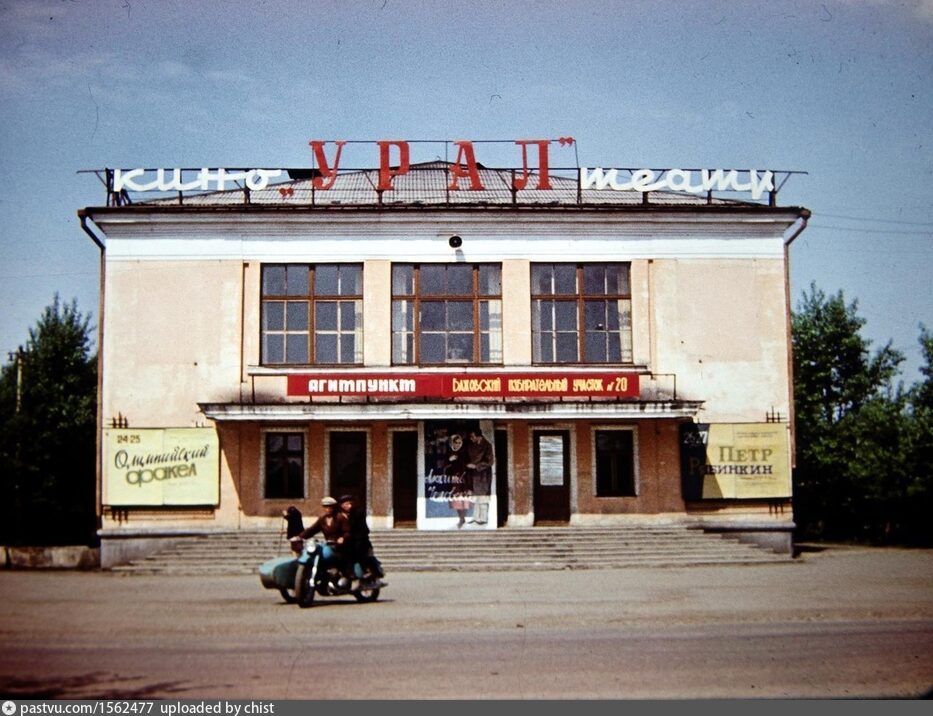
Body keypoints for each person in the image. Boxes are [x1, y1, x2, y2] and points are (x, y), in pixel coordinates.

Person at [291, 496, 351, 585]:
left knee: (339, 560)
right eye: (326, 507)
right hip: (328, 545)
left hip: (340, 546)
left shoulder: (340, 518)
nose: (328, 509)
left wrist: (343, 538)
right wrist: (299, 537)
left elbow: (348, 531)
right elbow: (312, 529)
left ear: (334, 508)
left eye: (330, 507)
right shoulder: (322, 519)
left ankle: (344, 576)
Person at [337, 494, 386, 587]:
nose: (349, 506)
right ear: (341, 505)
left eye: (350, 503)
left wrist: (354, 538)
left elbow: (363, 530)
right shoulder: (338, 515)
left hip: (359, 541)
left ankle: (366, 575)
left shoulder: (358, 514)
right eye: (346, 504)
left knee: (359, 556)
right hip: (345, 543)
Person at [466, 428, 495, 525]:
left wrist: (476, 466)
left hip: (483, 475)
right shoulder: (472, 446)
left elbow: (490, 462)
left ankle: (483, 518)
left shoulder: (487, 445)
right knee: (476, 497)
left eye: (473, 436)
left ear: (479, 436)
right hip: (475, 475)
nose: (471, 438)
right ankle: (476, 517)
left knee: (483, 496)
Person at [445, 433, 472, 528]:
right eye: (455, 442)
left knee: (463, 499)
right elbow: (444, 467)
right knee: (456, 500)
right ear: (452, 443)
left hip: (464, 479)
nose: (457, 444)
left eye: (459, 442)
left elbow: (468, 466)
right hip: (453, 480)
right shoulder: (449, 452)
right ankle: (461, 518)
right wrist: (449, 460)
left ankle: (462, 517)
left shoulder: (464, 453)